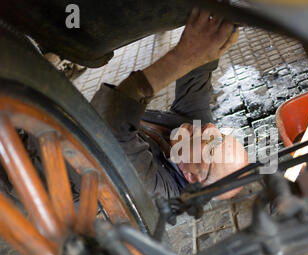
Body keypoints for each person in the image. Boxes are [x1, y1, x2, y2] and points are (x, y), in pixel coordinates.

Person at [91, 8, 248, 201]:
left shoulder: (155, 187)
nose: (210, 127)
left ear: (192, 177)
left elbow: (107, 126)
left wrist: (179, 58)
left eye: (213, 145)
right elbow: (197, 77)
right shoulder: (196, 134)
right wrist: (224, 25)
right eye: (220, 135)